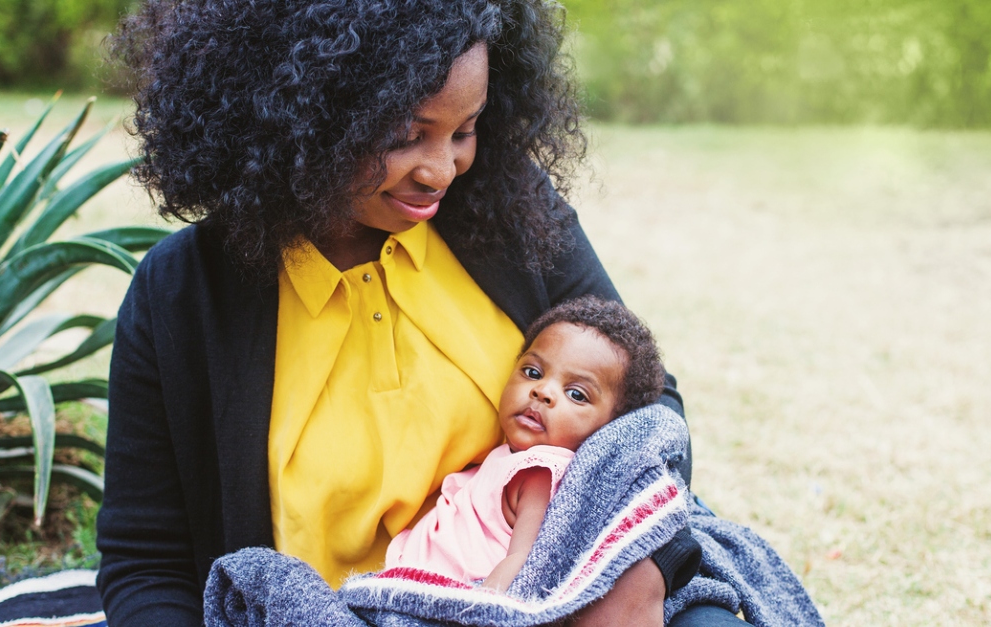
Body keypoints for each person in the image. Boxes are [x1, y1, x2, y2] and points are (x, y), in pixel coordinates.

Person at [98, 1, 746, 625]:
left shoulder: (508, 208)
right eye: (406, 136)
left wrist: (644, 570)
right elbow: (147, 562)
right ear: (304, 116)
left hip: (570, 585)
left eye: (465, 129)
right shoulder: (182, 295)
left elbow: (647, 404)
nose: (442, 170)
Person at [384, 296, 667, 600]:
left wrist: (483, 613)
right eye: (533, 372)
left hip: (450, 601)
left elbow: (524, 559)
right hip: (416, 588)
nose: (542, 391)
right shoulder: (515, 456)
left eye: (576, 394)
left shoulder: (539, 471)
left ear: (610, 427)